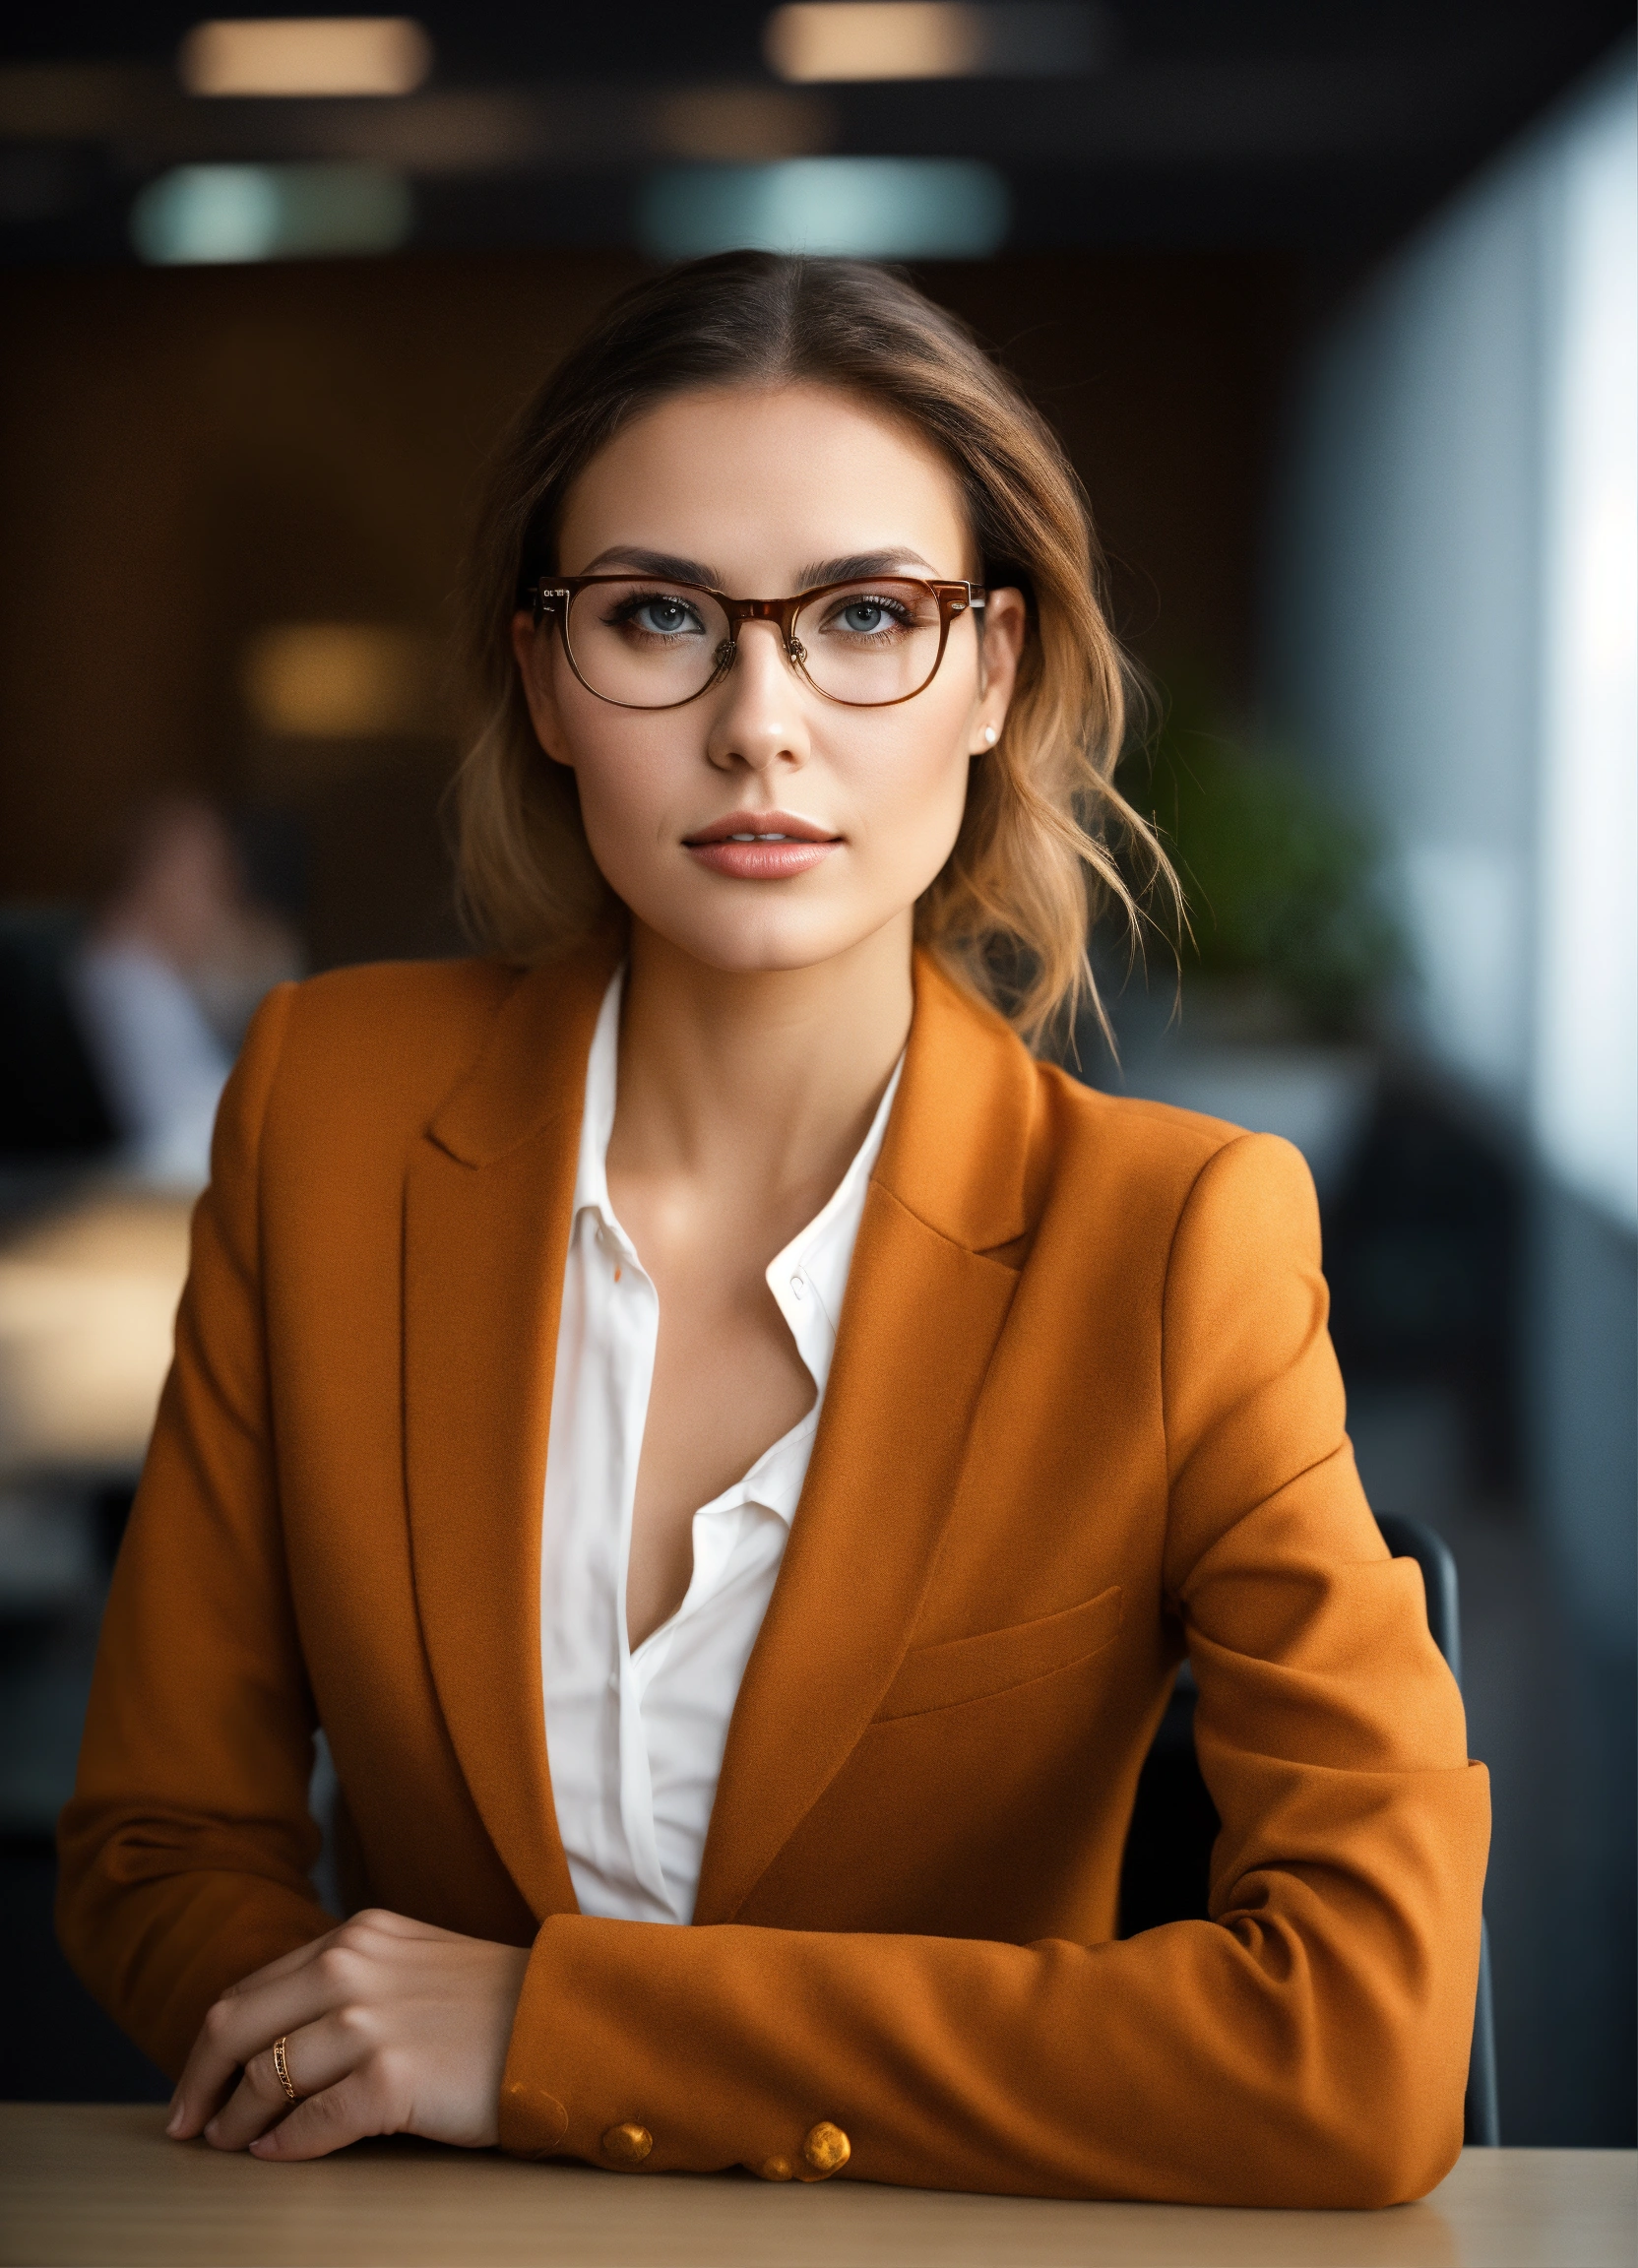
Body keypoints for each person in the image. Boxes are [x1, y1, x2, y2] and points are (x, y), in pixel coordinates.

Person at [57, 254, 1488, 2205]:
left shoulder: (1175, 1244)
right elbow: (158, 1848)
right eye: (657, 614)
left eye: (864, 618)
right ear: (544, 676)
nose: (759, 723)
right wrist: (348, 2064)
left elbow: (1363, 2043)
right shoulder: (330, 1109)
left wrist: (546, 2041)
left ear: (991, 670)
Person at [70, 799, 300, 1187]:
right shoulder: (123, 977)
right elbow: (178, 1136)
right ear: (149, 880)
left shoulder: (168, 973)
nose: (220, 902)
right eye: (201, 881)